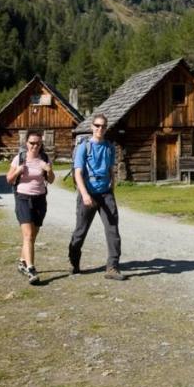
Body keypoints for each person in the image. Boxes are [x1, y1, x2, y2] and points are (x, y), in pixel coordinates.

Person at [69, 116, 123, 280]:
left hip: (106, 194)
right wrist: (84, 194)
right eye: (97, 125)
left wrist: (112, 186)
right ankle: (74, 261)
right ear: (92, 127)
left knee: (112, 230)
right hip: (88, 193)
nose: (100, 129)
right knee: (80, 231)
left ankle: (112, 267)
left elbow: (110, 169)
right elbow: (77, 172)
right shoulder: (84, 147)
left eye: (103, 126)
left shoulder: (109, 147)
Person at [7, 133, 53, 284]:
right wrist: (18, 171)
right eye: (32, 143)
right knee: (27, 235)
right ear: (26, 143)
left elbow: (51, 180)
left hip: (40, 199)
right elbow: (9, 179)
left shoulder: (45, 159)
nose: (35, 146)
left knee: (32, 235)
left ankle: (22, 262)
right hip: (23, 198)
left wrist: (49, 170)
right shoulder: (19, 158)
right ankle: (31, 270)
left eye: (38, 143)